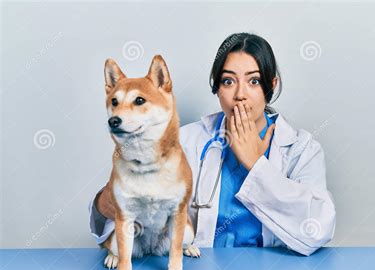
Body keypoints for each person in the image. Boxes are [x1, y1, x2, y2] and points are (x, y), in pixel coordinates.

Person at [89, 32, 336, 256]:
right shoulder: (184, 142)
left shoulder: (301, 149)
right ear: (217, 88)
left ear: (271, 86)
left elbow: (318, 229)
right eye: (228, 81)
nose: (240, 94)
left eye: (254, 81)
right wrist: (104, 203)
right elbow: (127, 215)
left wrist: (256, 166)